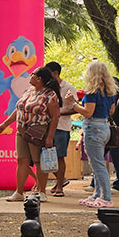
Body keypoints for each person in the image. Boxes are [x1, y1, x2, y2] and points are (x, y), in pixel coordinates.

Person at [0, 66, 61, 202]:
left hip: (38, 130)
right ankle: (19, 192)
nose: (30, 76)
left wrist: (50, 137)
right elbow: (18, 110)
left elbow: (55, 117)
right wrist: (5, 124)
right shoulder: (28, 91)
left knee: (38, 161)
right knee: (22, 160)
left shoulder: (50, 95)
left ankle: (42, 191)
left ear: (39, 79)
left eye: (33, 74)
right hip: (21, 130)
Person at [68, 61, 119, 208]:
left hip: (93, 128)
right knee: (97, 162)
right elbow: (111, 111)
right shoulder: (110, 92)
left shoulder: (92, 92)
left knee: (97, 164)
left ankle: (106, 197)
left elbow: (88, 112)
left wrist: (74, 104)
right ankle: (97, 194)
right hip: (104, 127)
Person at [45, 61, 77, 196]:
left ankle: (59, 187)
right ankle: (61, 179)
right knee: (45, 157)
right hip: (47, 127)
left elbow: (75, 108)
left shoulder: (68, 87)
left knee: (59, 157)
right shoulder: (47, 88)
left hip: (62, 127)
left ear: (55, 73)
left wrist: (58, 113)